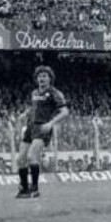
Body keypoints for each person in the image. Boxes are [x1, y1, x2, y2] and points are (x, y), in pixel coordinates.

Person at [15, 65, 69, 199]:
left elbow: (65, 111)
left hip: (42, 127)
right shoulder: (34, 93)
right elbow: (33, 108)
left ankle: (35, 188)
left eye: (44, 76)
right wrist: (24, 114)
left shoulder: (54, 93)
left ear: (50, 78)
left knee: (32, 156)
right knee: (20, 159)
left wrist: (51, 123)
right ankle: (24, 189)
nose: (41, 78)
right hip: (30, 127)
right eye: (39, 76)